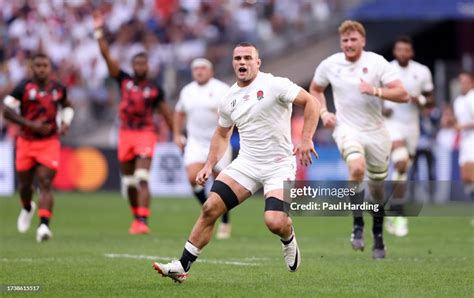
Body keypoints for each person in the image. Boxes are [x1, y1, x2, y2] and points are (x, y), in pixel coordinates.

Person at [153, 42, 320, 283]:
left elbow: (312, 103)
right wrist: (209, 164)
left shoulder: (275, 84)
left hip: (279, 165)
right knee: (210, 208)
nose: (242, 62)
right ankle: (181, 266)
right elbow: (222, 134)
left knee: (274, 222)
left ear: (257, 62)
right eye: (238, 58)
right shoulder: (229, 97)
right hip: (247, 164)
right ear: (233, 63)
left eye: (247, 58)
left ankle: (288, 236)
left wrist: (305, 139)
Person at [309, 20, 408, 259]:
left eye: (354, 39)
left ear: (362, 41)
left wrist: (375, 91)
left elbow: (403, 94)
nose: (349, 44)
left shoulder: (377, 63)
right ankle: (357, 226)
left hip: (376, 132)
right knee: (356, 168)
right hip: (346, 129)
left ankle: (378, 235)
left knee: (376, 189)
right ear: (340, 42)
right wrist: (323, 113)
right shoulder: (330, 64)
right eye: (345, 40)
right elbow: (315, 89)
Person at [93, 11, 173, 234]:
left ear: (147, 66)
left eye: (142, 63)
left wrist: (176, 134)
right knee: (128, 182)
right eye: (136, 63)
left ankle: (143, 221)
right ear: (132, 65)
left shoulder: (155, 88)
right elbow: (106, 56)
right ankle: (136, 217)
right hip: (125, 133)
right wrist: (99, 31)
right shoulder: (124, 80)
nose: (139, 67)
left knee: (142, 177)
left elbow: (166, 112)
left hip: (146, 132)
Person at [2, 53, 74, 242]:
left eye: (45, 65)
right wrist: (31, 124)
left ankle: (43, 226)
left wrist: (65, 122)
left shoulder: (58, 89)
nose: (42, 69)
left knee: (45, 182)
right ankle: (27, 207)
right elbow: (7, 111)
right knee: (25, 186)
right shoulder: (23, 87)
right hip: (26, 141)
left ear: (50, 68)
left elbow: (68, 106)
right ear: (32, 68)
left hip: (49, 142)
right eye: (38, 66)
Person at [173, 58, 233, 239]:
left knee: (221, 183)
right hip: (196, 142)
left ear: (211, 71)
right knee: (193, 177)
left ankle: (225, 220)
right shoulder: (187, 91)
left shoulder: (222, 89)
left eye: (203, 69)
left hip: (219, 141)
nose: (199, 71)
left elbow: (231, 113)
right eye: (196, 69)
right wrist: (176, 134)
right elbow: (179, 112)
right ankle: (209, 210)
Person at [383, 36, 434, 237]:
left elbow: (431, 100)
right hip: (392, 123)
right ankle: (399, 213)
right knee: (401, 163)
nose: (402, 53)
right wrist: (382, 108)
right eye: (399, 50)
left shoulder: (421, 71)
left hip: (412, 126)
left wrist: (419, 99)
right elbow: (375, 95)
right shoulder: (386, 69)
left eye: (406, 50)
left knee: (402, 172)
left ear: (411, 52)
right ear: (395, 52)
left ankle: (393, 209)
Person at [453, 72, 474, 197]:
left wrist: (463, 126)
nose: (462, 85)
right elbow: (458, 122)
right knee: (466, 178)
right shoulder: (458, 101)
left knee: (471, 176)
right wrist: (451, 122)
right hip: (464, 141)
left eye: (465, 82)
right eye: (460, 82)